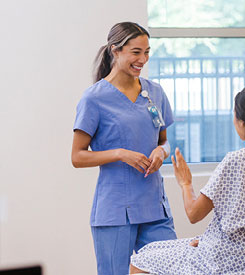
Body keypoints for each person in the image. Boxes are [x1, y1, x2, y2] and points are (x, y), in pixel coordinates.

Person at [130, 84, 245, 274]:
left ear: (242, 121)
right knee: (162, 248)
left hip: (226, 259)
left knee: (142, 260)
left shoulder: (238, 160)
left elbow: (194, 214)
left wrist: (185, 183)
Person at [71, 22, 176, 275]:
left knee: (170, 267)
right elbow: (77, 156)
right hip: (115, 209)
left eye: (147, 52)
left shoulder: (155, 93)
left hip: (154, 204)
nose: (143, 59)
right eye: (136, 52)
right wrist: (119, 153)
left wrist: (162, 152)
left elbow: (164, 141)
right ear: (115, 51)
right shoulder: (94, 98)